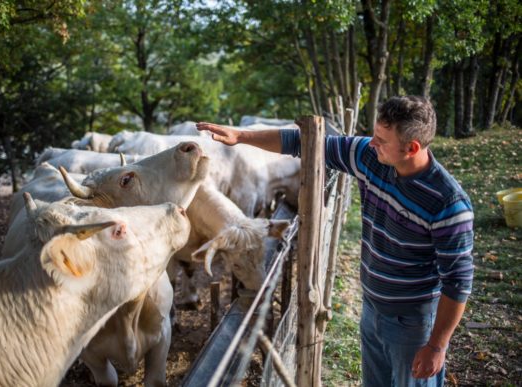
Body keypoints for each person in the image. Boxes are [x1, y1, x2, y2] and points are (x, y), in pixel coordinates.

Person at [196, 96, 474, 387]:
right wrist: (241, 136)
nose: (372, 142)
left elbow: (458, 281)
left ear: (412, 148)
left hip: (412, 324)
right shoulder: (371, 157)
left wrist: (437, 346)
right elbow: (302, 142)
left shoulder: (447, 203)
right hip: (373, 308)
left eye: (381, 139)